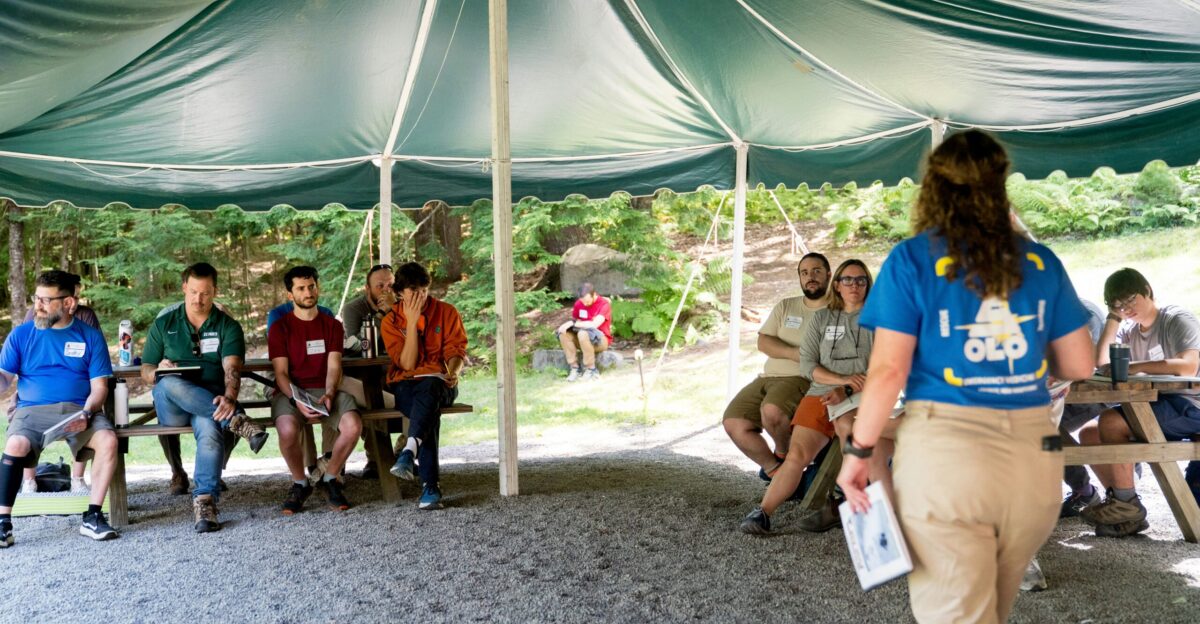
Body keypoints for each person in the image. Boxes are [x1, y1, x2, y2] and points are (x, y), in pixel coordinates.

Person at [837, 130, 1094, 623]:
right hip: (1033, 462)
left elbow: (889, 370)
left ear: (933, 185)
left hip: (947, 458)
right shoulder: (1041, 261)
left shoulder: (912, 259)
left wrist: (859, 453)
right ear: (1001, 183)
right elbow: (1079, 365)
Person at [741, 259, 894, 534]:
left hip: (862, 393)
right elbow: (808, 365)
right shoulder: (822, 318)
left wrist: (848, 387)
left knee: (852, 434)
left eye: (861, 280)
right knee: (797, 454)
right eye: (847, 279)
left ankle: (850, 503)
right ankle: (762, 513)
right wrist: (841, 380)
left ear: (868, 285)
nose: (854, 285)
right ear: (836, 285)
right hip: (822, 392)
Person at [140, 262, 268, 533]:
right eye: (194, 292)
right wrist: (158, 371)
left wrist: (230, 397)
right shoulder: (164, 323)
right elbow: (146, 370)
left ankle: (205, 502)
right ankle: (238, 421)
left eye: (206, 293)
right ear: (184, 288)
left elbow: (232, 368)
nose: (199, 299)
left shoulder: (227, 325)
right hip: (172, 405)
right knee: (168, 383)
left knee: (210, 426)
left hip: (211, 402)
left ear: (215, 291)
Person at [1077, 268, 1200, 537]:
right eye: (1116, 304)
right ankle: (1126, 504)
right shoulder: (1130, 332)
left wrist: (1133, 367)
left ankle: (1124, 505)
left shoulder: (1175, 318)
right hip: (1160, 404)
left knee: (1111, 421)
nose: (1125, 307)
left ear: (1147, 290)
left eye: (1129, 299)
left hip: (1191, 405)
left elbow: (1189, 367)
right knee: (1089, 433)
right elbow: (1101, 363)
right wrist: (1113, 318)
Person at [0, 270, 120, 545]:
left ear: (69, 303)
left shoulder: (89, 336)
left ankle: (92, 517)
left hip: (80, 409)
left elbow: (100, 387)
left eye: (46, 300)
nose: (37, 306)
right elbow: (4, 379)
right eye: (36, 298)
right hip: (32, 411)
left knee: (108, 440)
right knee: (16, 443)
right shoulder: (21, 335)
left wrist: (88, 413)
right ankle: (3, 523)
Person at [723, 252, 830, 483]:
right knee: (733, 422)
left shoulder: (837, 310)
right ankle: (775, 472)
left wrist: (799, 358)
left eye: (816, 271)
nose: (810, 277)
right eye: (804, 272)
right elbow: (764, 342)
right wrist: (795, 353)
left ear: (828, 274)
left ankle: (783, 453)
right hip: (767, 376)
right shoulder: (786, 306)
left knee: (772, 411)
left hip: (801, 378)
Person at [268, 266, 363, 514]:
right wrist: (296, 400)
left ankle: (330, 477)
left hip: (326, 390)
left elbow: (334, 366)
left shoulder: (332, 325)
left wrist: (330, 393)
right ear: (290, 294)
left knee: (353, 425)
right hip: (291, 392)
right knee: (287, 430)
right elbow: (281, 373)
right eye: (301, 288)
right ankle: (300, 483)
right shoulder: (280, 328)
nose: (308, 292)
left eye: (311, 286)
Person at [382, 262, 467, 510]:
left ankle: (411, 452)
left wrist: (453, 371)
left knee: (430, 390)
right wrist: (410, 323)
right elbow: (407, 364)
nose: (420, 296)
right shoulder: (391, 322)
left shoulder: (447, 312)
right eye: (412, 291)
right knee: (426, 411)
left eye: (424, 289)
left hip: (441, 383)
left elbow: (456, 350)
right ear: (399, 292)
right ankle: (428, 485)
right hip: (407, 384)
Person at [15, 277, 100, 494]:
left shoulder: (85, 317)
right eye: (38, 299)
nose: (39, 305)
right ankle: (28, 481)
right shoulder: (35, 317)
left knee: (90, 418)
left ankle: (78, 478)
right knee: (22, 420)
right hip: (35, 399)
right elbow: (23, 360)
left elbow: (92, 361)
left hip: (78, 396)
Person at [554, 283, 612, 381]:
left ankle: (591, 369)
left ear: (594, 295)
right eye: (583, 302)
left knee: (583, 333)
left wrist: (573, 323)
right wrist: (571, 324)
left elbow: (594, 324)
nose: (585, 304)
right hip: (582, 340)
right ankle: (575, 368)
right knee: (563, 333)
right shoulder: (579, 304)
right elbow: (577, 321)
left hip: (601, 341)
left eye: (588, 302)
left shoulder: (604, 304)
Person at [341, 263, 396, 357]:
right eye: (380, 286)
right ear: (368, 289)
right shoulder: (352, 308)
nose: (387, 291)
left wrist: (395, 308)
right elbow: (356, 347)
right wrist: (381, 313)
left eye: (390, 285)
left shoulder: (401, 305)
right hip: (366, 367)